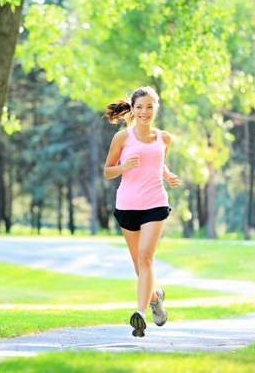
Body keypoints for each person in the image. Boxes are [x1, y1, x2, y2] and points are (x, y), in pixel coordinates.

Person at [103, 86, 178, 338]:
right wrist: (124, 166)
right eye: (139, 107)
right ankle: (156, 297)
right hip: (127, 205)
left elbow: (159, 162)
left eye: (149, 107)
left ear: (156, 108)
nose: (144, 111)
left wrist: (167, 175)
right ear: (132, 110)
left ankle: (140, 314)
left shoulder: (164, 138)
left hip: (155, 203)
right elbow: (108, 170)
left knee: (146, 258)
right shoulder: (123, 138)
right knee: (139, 265)